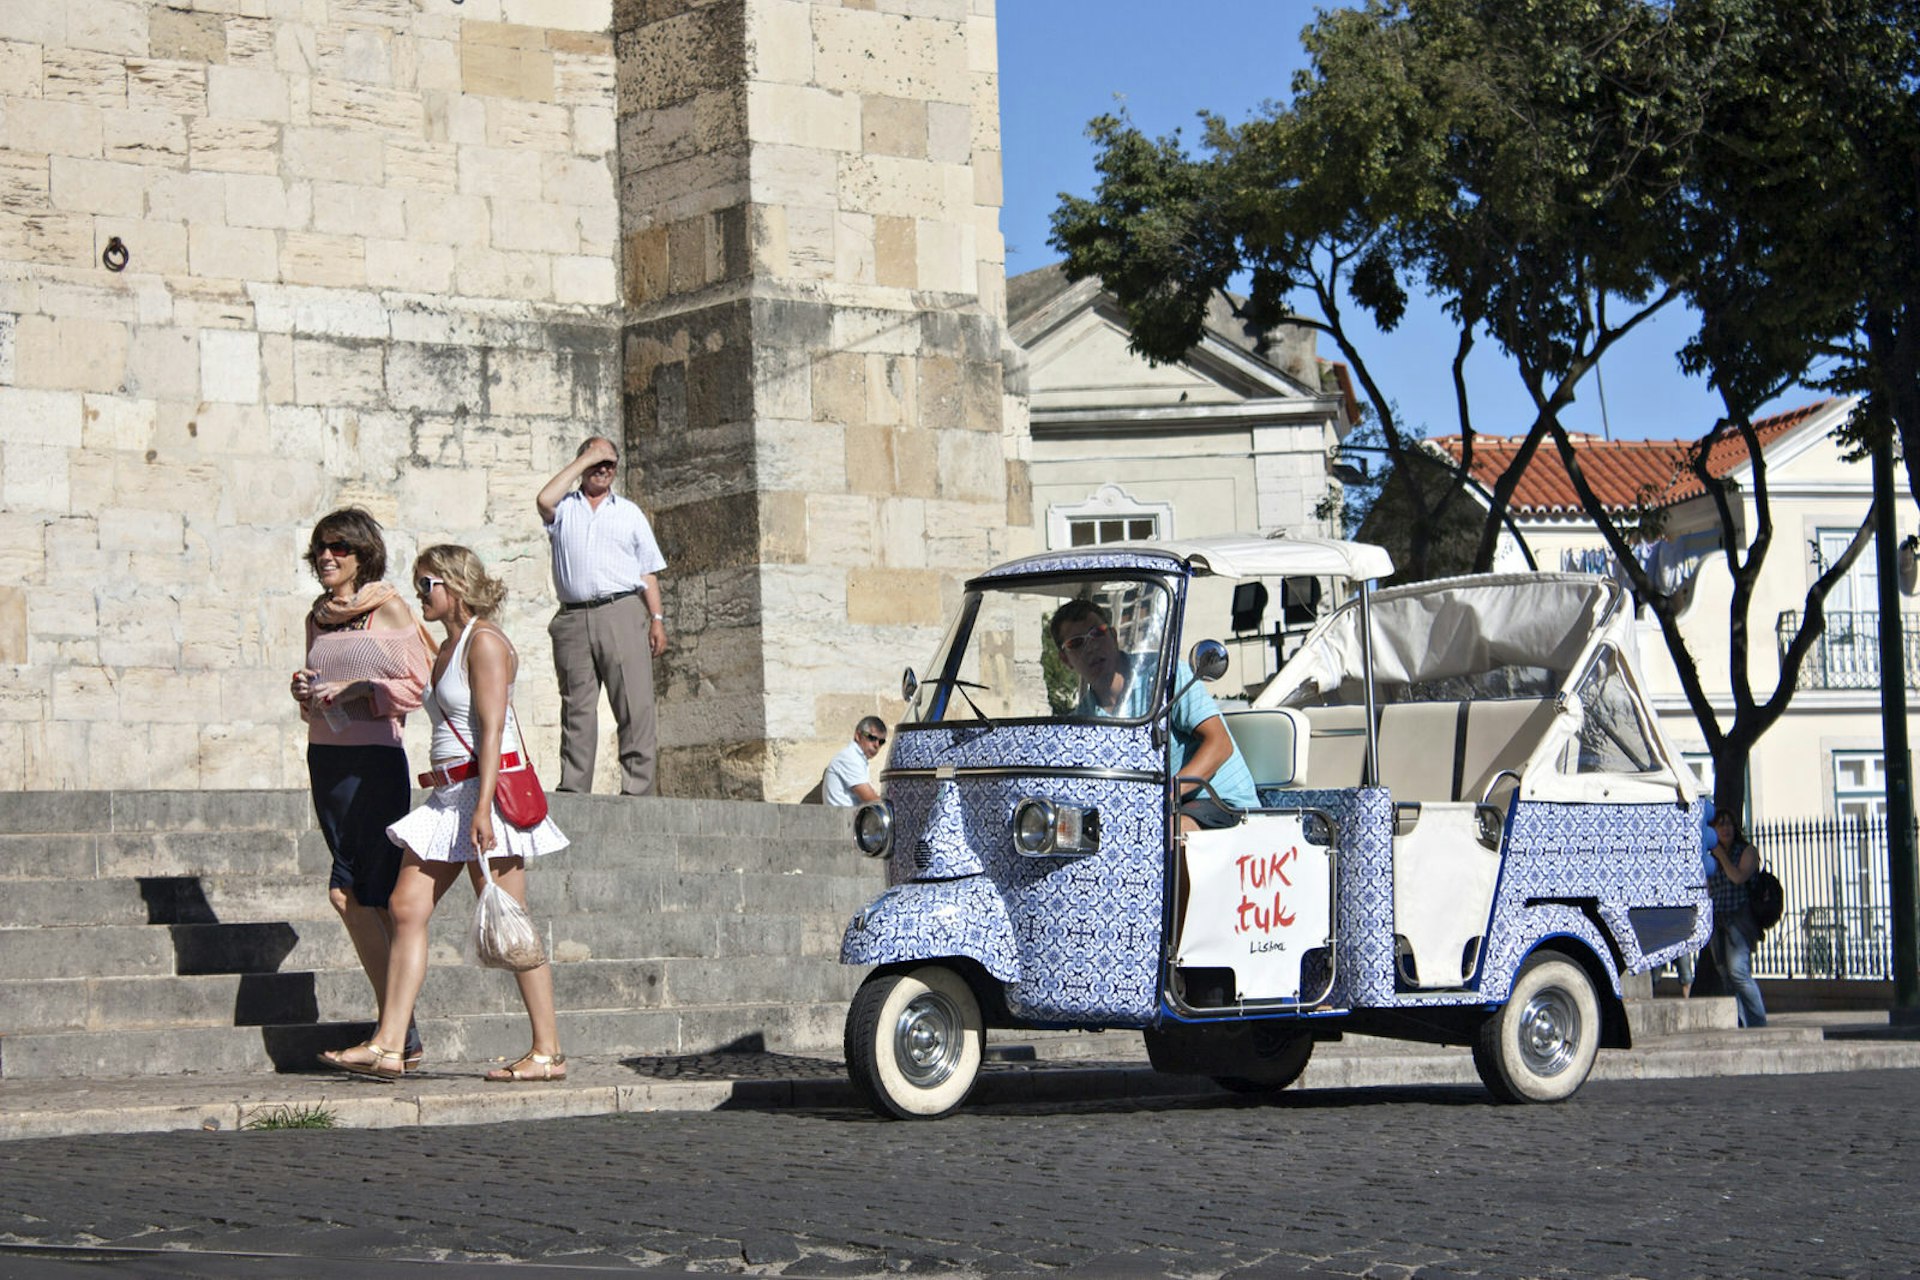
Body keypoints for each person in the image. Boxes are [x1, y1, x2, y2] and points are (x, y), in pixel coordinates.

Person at [320, 545, 571, 1082]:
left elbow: (493, 729)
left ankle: (547, 1051)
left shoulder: (484, 642)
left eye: (426, 585)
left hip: (484, 795)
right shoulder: (448, 646)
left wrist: (482, 810)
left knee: (512, 924)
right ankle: (389, 1043)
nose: (420, 596)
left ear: (453, 584)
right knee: (406, 905)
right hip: (447, 798)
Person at [290, 508, 431, 1071]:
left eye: (339, 548)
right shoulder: (318, 617)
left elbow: (415, 685)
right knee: (353, 897)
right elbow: (314, 690)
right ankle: (400, 1031)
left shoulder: (388, 608)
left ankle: (398, 1032)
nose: (327, 556)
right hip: (326, 760)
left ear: (362, 554)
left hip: (374, 763)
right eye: (321, 548)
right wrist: (305, 690)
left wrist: (359, 689)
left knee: (356, 894)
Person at [1049, 599, 1258, 831]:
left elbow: (1220, 745)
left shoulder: (1165, 677)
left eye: (1097, 634)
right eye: (1077, 643)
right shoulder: (1083, 719)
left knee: (1166, 834)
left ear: (1114, 636)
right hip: (1148, 812)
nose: (1091, 647)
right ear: (1065, 659)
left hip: (1219, 802)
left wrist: (1164, 794)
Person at [536, 437, 668, 796]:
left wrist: (657, 618)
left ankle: (637, 789)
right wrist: (587, 459)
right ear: (582, 463)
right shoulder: (564, 507)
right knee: (576, 708)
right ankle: (574, 788)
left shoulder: (629, 512)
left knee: (633, 704)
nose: (605, 468)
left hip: (621, 610)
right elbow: (543, 500)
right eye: (598, 461)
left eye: (611, 462)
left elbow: (647, 572)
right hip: (573, 617)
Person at [1701, 807, 1768, 1028]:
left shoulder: (1746, 851)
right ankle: (1741, 1022)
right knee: (1726, 976)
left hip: (1739, 920)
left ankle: (1758, 1022)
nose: (1725, 829)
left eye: (1728, 824)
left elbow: (1738, 877)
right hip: (1718, 920)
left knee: (1738, 971)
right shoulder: (1711, 858)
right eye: (1720, 825)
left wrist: (1721, 856)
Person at [823, 716, 886, 806]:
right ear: (858, 736)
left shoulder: (858, 758)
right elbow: (870, 799)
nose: (876, 745)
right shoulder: (849, 758)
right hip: (842, 817)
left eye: (881, 742)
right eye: (872, 738)